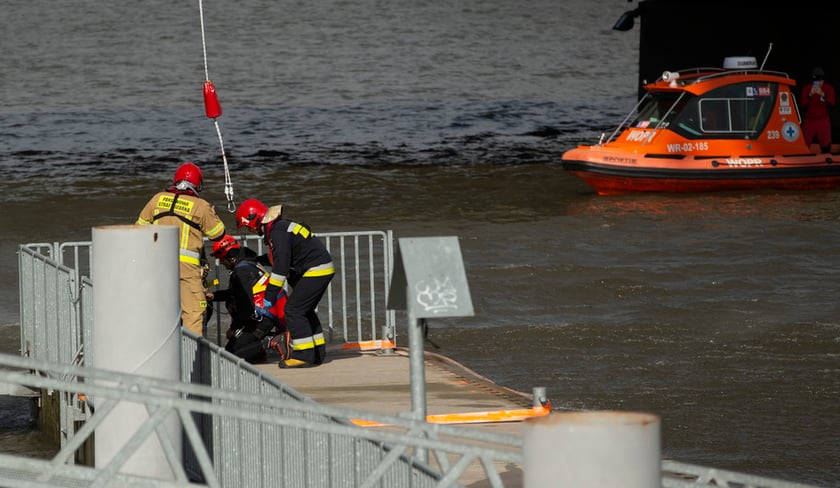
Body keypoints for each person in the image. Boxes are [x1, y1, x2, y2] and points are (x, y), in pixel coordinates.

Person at [235, 198, 334, 368]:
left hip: (316, 269)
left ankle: (304, 355)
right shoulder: (280, 228)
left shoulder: (277, 233)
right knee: (305, 310)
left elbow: (281, 266)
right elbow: (281, 256)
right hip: (320, 267)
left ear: (253, 220)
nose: (251, 230)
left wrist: (270, 295)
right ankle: (317, 352)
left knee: (293, 310)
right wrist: (258, 260)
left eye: (247, 226)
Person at [136, 162, 226, 336]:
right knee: (193, 313)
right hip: (187, 269)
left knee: (161, 312)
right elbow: (218, 234)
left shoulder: (157, 199)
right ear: (198, 184)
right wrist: (213, 214)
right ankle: (191, 359)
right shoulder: (200, 205)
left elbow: (139, 228)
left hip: (158, 266)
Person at [207, 234, 287, 364]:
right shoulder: (249, 263)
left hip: (259, 318)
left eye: (222, 259)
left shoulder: (241, 272)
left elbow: (246, 304)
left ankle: (272, 342)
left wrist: (234, 327)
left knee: (231, 356)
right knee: (235, 348)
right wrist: (214, 296)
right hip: (265, 314)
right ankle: (258, 354)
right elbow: (236, 293)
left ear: (231, 258)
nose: (221, 263)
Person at [800, 67, 836, 153]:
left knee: (825, 144)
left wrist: (823, 94)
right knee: (805, 143)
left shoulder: (828, 88)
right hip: (809, 120)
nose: (819, 83)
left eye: (821, 81)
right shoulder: (807, 88)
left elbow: (832, 103)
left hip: (823, 119)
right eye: (816, 81)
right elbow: (802, 104)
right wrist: (810, 94)